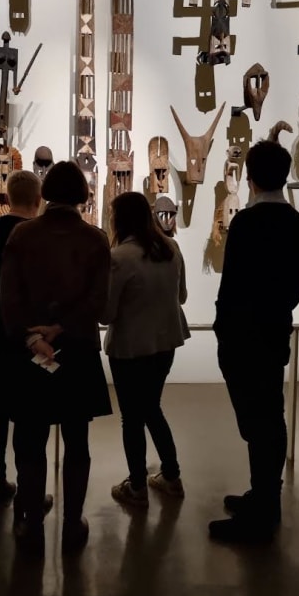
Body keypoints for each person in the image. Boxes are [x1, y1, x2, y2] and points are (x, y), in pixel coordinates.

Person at [0, 160, 112, 554]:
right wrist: (62, 326)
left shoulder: (22, 234)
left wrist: (34, 336)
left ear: (46, 193)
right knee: (77, 441)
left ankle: (32, 523)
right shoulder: (96, 239)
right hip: (77, 347)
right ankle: (72, 521)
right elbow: (98, 303)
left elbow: (8, 298)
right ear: (82, 193)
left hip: (32, 350)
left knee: (30, 440)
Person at [209, 140, 299, 543]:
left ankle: (264, 508)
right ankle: (265, 497)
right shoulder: (297, 224)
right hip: (272, 331)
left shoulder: (247, 224)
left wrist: (223, 329)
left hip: (243, 336)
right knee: (270, 415)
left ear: (249, 178)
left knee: (258, 421)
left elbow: (232, 285)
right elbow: (293, 290)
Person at [101, 191, 190, 508]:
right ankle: (171, 476)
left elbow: (106, 314)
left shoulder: (120, 257)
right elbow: (182, 296)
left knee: (132, 417)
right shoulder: (170, 248)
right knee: (152, 408)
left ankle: (137, 485)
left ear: (119, 219)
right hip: (165, 343)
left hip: (130, 347)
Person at [0, 170, 43, 507]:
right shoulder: (37, 233)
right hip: (28, 327)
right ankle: (28, 489)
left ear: (8, 197)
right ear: (38, 199)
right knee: (29, 408)